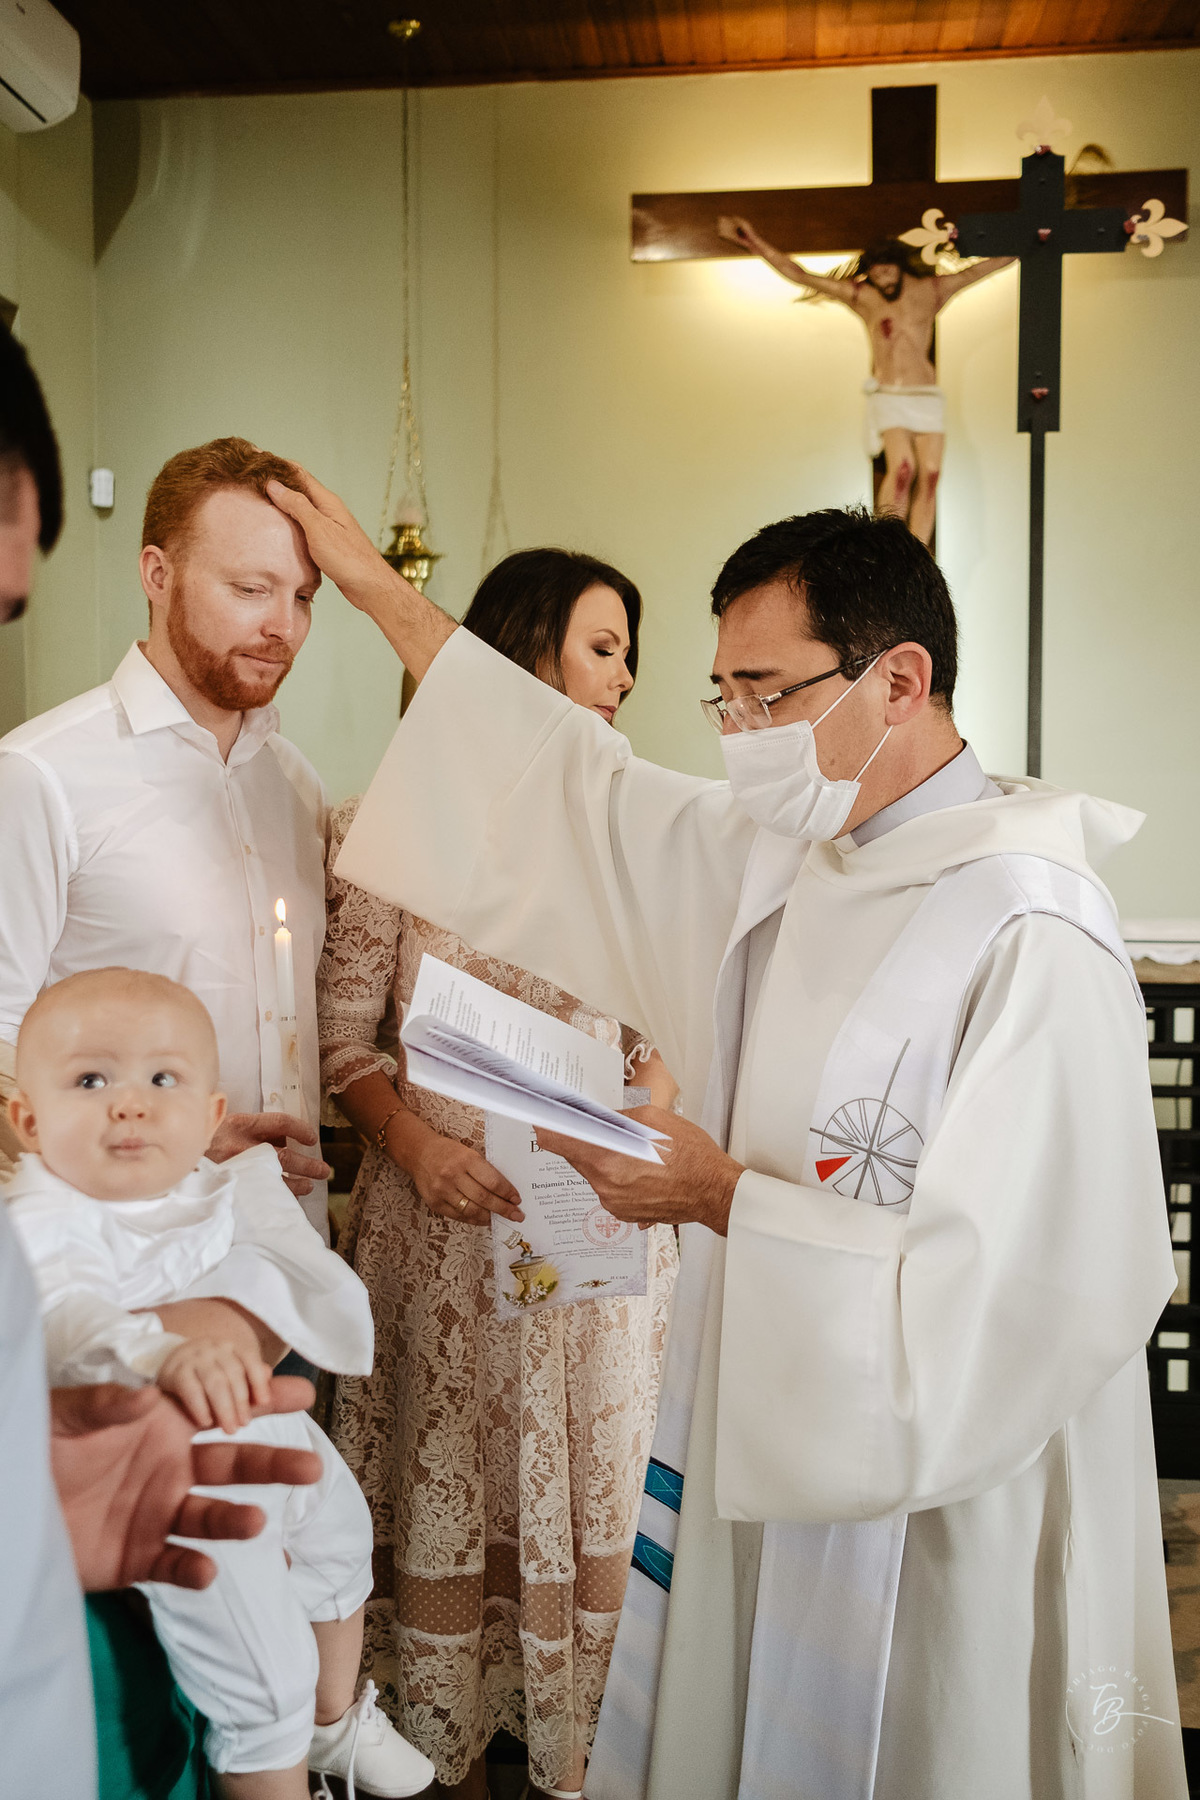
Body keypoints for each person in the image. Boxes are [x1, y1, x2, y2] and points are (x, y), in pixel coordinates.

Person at [268, 469, 1183, 1800]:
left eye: (770, 695)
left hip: (938, 1505)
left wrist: (722, 1196)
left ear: (900, 680)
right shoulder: (799, 851)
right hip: (756, 1414)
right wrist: (371, 592)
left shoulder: (1031, 928)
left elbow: (1027, 1297)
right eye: (725, 697)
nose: (739, 732)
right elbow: (573, 788)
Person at [318, 549, 680, 1800]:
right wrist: (413, 1148)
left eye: (631, 652)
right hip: (441, 1253)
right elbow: (341, 1041)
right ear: (522, 653)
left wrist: (647, 1111)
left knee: (590, 1540)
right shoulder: (393, 826)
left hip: (589, 1255)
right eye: (600, 646)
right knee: (446, 1532)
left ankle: (582, 1762)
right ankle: (433, 1761)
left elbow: (666, 1041)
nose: (624, 677)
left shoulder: (633, 830)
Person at [7, 965, 436, 1800]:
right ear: (28, 1120)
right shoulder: (44, 1214)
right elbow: (60, 1313)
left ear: (209, 1116)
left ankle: (333, 1724)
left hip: (238, 1414)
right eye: (90, 1079)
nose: (129, 1103)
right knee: (260, 1671)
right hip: (150, 1454)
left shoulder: (203, 1180)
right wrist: (158, 1350)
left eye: (162, 1079)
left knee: (343, 1537)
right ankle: (278, 1752)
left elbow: (286, 1259)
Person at [0, 435, 331, 1226]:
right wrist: (177, 1137)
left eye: (305, 596)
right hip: (122, 1262)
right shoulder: (38, 775)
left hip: (291, 1256)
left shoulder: (295, 786)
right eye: (251, 588)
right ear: (158, 574)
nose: (282, 626)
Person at [716, 218, 1014, 545]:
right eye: (875, 273)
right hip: (890, 394)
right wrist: (752, 240)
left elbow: (977, 272)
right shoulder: (864, 297)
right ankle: (891, 548)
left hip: (926, 395)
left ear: (900, 267)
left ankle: (916, 556)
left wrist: (1026, 246)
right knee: (902, 470)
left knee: (930, 475)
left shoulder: (931, 291)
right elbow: (800, 274)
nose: (883, 279)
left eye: (887, 271)